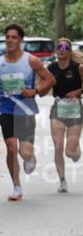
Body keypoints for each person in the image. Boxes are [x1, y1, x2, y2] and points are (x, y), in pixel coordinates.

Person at [0, 23, 55, 201]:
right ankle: (16, 186)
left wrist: (35, 91)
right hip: (7, 111)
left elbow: (50, 79)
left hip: (25, 111)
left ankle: (30, 156)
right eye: (7, 37)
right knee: (10, 148)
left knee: (24, 152)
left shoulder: (31, 60)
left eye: (14, 37)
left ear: (21, 40)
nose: (10, 40)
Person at [47, 38, 83, 193]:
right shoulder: (51, 68)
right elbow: (42, 83)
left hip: (75, 110)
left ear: (69, 51)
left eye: (65, 47)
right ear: (56, 50)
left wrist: (79, 91)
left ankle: (76, 151)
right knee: (58, 146)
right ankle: (62, 180)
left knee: (70, 152)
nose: (62, 49)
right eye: (59, 47)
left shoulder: (78, 68)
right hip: (58, 109)